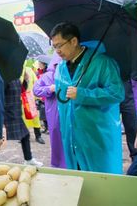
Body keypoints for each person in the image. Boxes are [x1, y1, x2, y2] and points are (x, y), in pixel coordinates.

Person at [51, 22, 124, 174]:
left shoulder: (102, 63)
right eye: (54, 47)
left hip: (96, 134)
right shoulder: (62, 67)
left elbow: (117, 93)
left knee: (102, 180)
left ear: (74, 41)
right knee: (78, 179)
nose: (57, 51)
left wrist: (83, 94)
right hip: (71, 135)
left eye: (60, 45)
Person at [33, 54, 66, 168]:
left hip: (69, 112)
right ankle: (57, 164)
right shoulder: (48, 76)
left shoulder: (71, 74)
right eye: (57, 64)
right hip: (53, 113)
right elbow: (36, 90)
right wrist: (49, 89)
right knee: (56, 137)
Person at [4, 79, 43, 167]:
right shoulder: (4, 78)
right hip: (8, 114)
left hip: (16, 113)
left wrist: (25, 81)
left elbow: (21, 90)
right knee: (0, 140)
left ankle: (28, 159)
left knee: (25, 135)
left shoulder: (15, 78)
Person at [21, 65, 45, 144]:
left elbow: (36, 83)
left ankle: (38, 136)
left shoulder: (29, 70)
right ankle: (23, 136)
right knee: (22, 118)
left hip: (30, 98)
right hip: (20, 99)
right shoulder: (15, 70)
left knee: (35, 118)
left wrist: (38, 95)